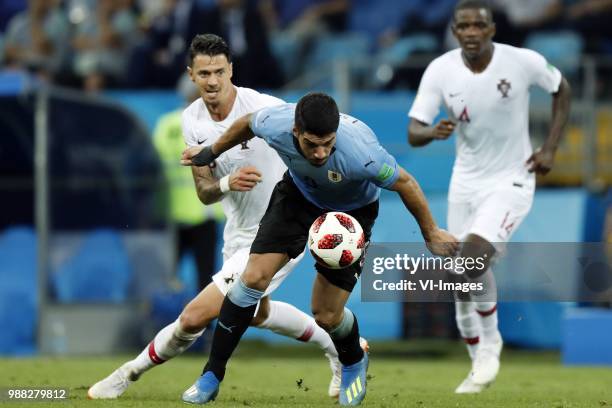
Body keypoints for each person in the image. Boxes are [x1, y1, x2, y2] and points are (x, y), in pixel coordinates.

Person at [87, 33, 354, 400]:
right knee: (257, 314)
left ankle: (126, 374)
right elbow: (205, 192)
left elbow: (316, 135)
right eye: (204, 73)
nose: (212, 81)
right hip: (238, 231)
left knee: (195, 316)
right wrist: (228, 180)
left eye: (218, 71)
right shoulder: (191, 120)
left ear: (231, 70)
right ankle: (343, 347)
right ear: (191, 75)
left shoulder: (264, 108)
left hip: (279, 230)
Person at [180, 93, 459, 405]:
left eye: (328, 143)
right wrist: (211, 151)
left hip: (350, 216)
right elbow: (246, 123)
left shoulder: (363, 155)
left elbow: (405, 183)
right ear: (296, 131)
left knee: (326, 315)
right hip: (298, 198)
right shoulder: (276, 122)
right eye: (312, 144)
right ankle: (212, 374)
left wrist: (431, 231)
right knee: (252, 278)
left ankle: (352, 359)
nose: (320, 152)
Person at [407, 0, 571, 394]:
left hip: (513, 178)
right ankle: (477, 355)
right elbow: (414, 130)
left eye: (478, 25)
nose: (471, 33)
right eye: (463, 26)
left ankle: (491, 344)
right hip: (465, 183)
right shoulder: (440, 70)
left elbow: (561, 89)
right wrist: (433, 133)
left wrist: (550, 148)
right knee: (459, 281)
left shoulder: (522, 61)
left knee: (471, 260)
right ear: (455, 30)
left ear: (492, 29)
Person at [152, 82, 225, 291]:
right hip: (205, 210)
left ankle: (167, 319)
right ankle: (206, 323)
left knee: (167, 274)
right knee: (207, 276)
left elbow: (155, 165)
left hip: (172, 213)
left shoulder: (166, 124)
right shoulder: (213, 125)